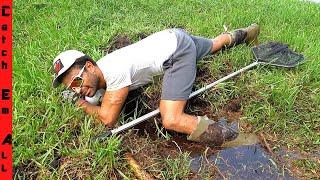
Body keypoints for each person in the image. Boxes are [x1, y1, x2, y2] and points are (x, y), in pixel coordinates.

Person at [52, 24, 260, 146]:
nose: (77, 89)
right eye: (71, 88)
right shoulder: (101, 71)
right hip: (171, 36)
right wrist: (85, 97)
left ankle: (241, 140)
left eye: (77, 81)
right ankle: (250, 32)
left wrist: (80, 104)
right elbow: (94, 97)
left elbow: (107, 118)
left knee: (171, 119)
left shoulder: (114, 73)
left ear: (89, 66)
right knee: (214, 44)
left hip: (176, 53)